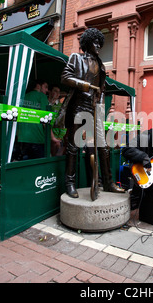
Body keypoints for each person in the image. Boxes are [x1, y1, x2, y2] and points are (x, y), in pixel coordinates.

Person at [60, 27, 124, 198]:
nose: (98, 46)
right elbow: (65, 77)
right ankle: (70, 184)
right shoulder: (76, 58)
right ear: (87, 43)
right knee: (73, 146)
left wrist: (101, 107)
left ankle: (109, 183)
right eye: (95, 42)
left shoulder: (101, 65)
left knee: (103, 147)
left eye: (99, 43)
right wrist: (83, 84)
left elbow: (102, 90)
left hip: (95, 108)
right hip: (78, 106)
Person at [16, 79, 52, 160]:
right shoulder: (42, 96)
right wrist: (52, 137)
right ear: (38, 86)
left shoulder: (23, 96)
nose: (47, 90)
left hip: (22, 137)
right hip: (37, 138)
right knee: (39, 166)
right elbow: (44, 120)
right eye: (45, 87)